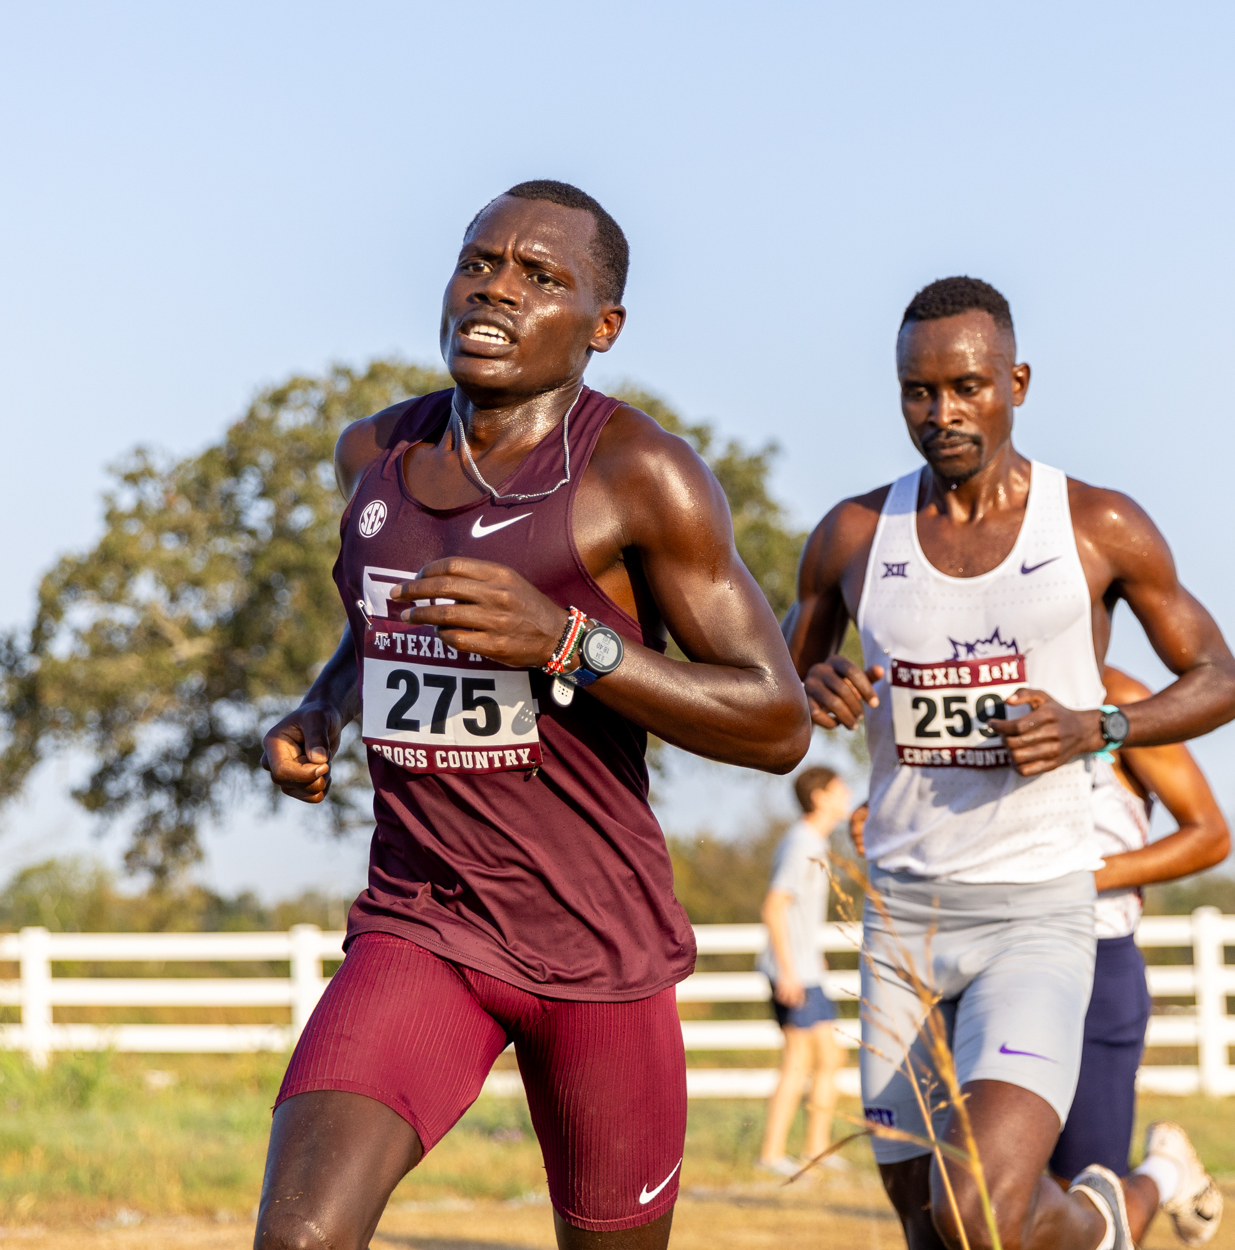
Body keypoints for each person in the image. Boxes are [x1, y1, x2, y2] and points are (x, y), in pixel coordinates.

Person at [256, 180, 810, 1250]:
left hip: (597, 947)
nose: (494, 290)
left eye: (538, 276)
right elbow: (372, 621)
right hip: (425, 923)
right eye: (478, 263)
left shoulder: (640, 475)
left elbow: (777, 719)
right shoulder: (372, 455)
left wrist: (565, 640)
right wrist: (322, 709)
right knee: (299, 1236)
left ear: (602, 328)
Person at [783, 276, 1235, 1250]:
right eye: (917, 390)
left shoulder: (1095, 525)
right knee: (927, 1227)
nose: (940, 412)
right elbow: (772, 697)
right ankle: (1132, 1189)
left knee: (978, 1209)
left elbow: (1219, 679)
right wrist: (814, 686)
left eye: (966, 386)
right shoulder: (855, 534)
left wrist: (1097, 728)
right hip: (901, 926)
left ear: (1016, 381)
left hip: (1033, 913)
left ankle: (1137, 1190)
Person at [1048, 665, 1231, 1186]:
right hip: (986, 949)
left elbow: (1211, 834)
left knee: (1084, 1189)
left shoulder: (1116, 696)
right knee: (976, 1191)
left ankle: (1164, 1174)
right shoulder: (963, 678)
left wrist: (1082, 876)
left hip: (1094, 954)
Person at [757, 766, 855, 1177]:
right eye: (840, 788)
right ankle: (771, 1155)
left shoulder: (816, 840)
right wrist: (789, 971)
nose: (848, 794)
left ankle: (816, 1150)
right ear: (820, 797)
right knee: (799, 1060)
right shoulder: (801, 845)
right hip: (793, 972)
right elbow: (774, 907)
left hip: (807, 968)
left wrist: (812, 957)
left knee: (832, 1056)